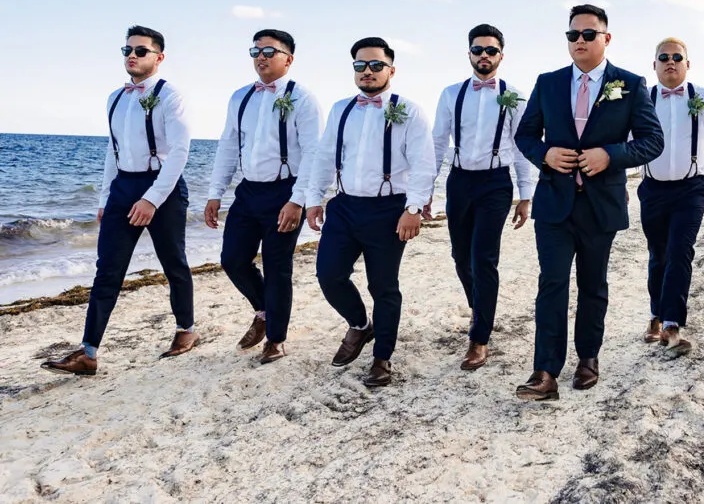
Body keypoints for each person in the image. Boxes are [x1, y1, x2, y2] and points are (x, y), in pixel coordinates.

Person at [514, 4, 664, 400]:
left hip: (601, 205)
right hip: (554, 204)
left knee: (593, 284)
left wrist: (610, 155)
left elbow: (652, 141)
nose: (579, 41)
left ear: (606, 38)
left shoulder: (630, 84)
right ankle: (545, 371)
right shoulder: (547, 83)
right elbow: (525, 135)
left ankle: (588, 358)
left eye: (587, 34)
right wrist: (544, 155)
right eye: (572, 35)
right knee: (552, 283)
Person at [42, 26, 197, 376]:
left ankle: (186, 330)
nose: (132, 55)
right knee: (107, 271)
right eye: (127, 49)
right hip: (123, 188)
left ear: (159, 57)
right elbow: (114, 151)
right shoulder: (115, 97)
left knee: (174, 263)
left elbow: (180, 153)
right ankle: (88, 352)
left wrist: (153, 199)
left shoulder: (171, 96)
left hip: (164, 189)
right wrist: (105, 196)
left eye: (141, 51)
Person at [306, 37, 434, 387]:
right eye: (360, 65)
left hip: (389, 209)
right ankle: (361, 325)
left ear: (391, 69)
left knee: (383, 285)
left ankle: (382, 358)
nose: (368, 71)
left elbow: (424, 164)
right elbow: (324, 156)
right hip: (345, 206)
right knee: (329, 274)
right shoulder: (340, 110)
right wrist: (313, 199)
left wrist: (413, 208)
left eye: (376, 65)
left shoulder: (409, 110)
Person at [204, 29, 323, 364]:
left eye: (270, 51)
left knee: (277, 266)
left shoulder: (303, 98)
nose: (261, 57)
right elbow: (228, 147)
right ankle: (264, 312)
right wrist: (215, 194)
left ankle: (276, 338)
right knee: (232, 259)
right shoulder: (240, 97)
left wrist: (297, 200)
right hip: (248, 191)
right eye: (256, 51)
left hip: (285, 190)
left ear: (289, 59)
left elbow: (315, 152)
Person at [427, 24, 535, 371]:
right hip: (458, 182)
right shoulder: (450, 94)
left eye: (491, 50)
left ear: (501, 55)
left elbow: (522, 147)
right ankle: (480, 308)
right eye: (478, 50)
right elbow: (437, 144)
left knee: (483, 257)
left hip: (495, 183)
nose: (484, 56)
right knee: (461, 256)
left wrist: (525, 194)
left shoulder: (514, 96)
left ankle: (479, 337)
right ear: (469, 54)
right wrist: (425, 190)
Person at [639, 38, 704, 357]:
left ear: (687, 64)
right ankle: (656, 313)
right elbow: (624, 141)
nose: (670, 61)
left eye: (677, 57)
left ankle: (672, 324)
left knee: (680, 251)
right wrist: (618, 181)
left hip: (691, 188)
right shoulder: (643, 99)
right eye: (663, 57)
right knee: (658, 255)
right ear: (654, 65)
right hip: (651, 188)